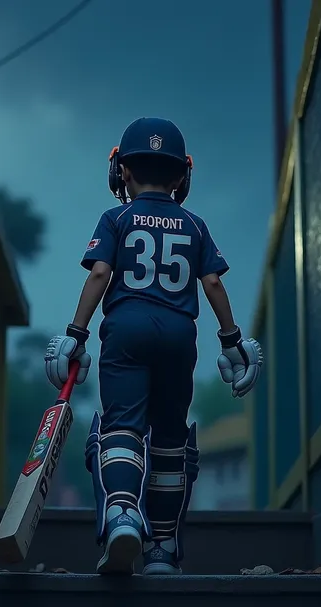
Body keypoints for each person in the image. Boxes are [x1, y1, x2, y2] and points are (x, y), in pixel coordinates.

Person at [44, 117, 263, 576]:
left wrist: (75, 334)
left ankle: (123, 512)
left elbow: (100, 275)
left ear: (121, 171)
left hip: (126, 332)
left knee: (123, 427)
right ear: (183, 175)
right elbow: (213, 283)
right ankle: (162, 546)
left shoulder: (116, 218)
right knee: (169, 437)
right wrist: (231, 341)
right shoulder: (196, 225)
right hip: (180, 337)